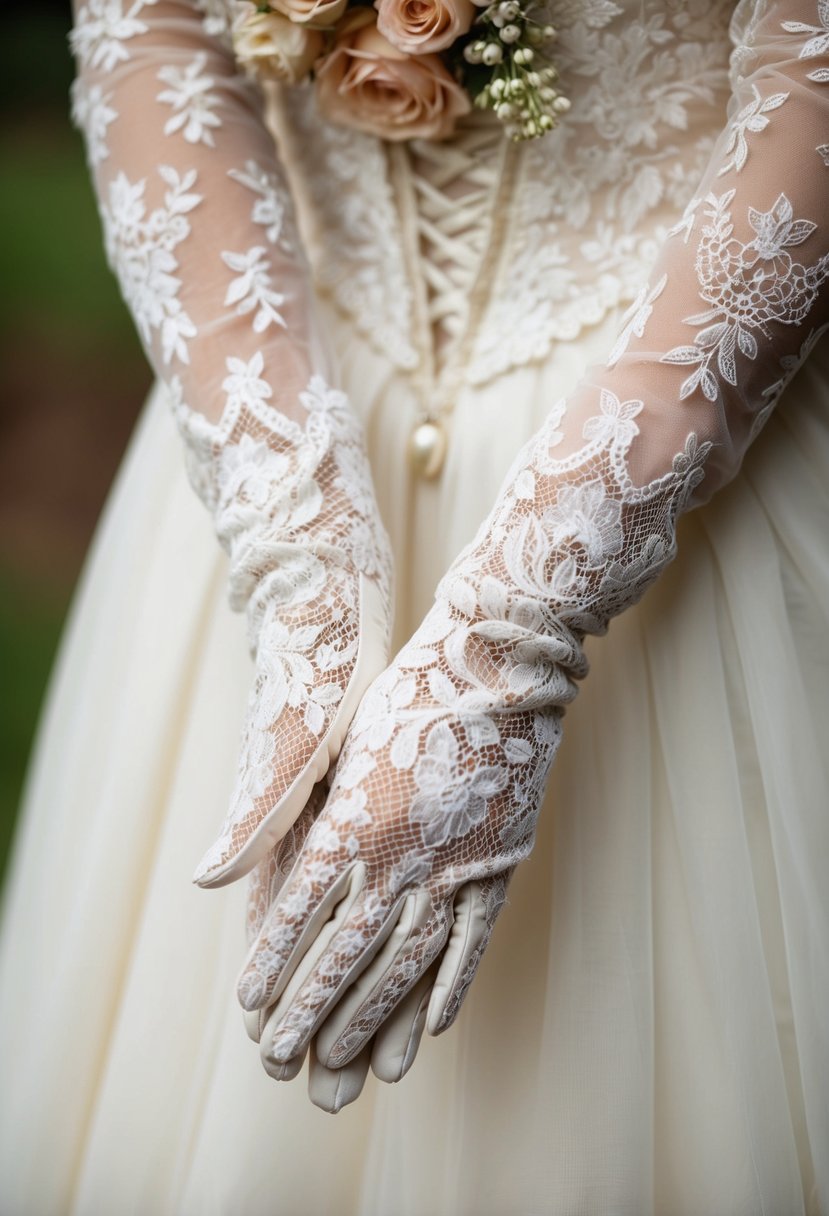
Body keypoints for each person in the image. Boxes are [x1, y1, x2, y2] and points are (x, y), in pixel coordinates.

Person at [0, 0, 827, 1211]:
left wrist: (515, 626)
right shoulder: (285, 504)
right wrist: (296, 545)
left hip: (665, 460)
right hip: (288, 392)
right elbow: (148, 28)